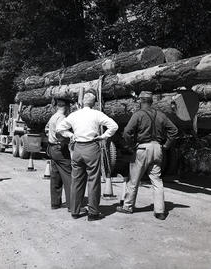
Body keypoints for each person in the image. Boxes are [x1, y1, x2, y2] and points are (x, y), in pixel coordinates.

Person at [56, 91, 118, 221]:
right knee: (93, 180)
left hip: (77, 148)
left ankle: (74, 210)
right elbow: (114, 126)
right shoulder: (97, 114)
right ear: (94, 103)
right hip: (91, 147)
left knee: (76, 180)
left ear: (82, 102)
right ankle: (93, 212)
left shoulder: (74, 115)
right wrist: (103, 136)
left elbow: (60, 128)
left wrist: (71, 135)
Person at [116, 91, 178, 220]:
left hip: (142, 148)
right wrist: (166, 145)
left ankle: (127, 206)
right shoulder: (161, 115)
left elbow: (127, 132)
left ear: (140, 101)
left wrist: (130, 145)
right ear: (151, 101)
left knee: (134, 180)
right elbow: (174, 130)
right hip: (158, 148)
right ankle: (160, 211)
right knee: (157, 180)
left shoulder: (138, 114)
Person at [45, 98, 72, 211]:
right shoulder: (62, 118)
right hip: (59, 148)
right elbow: (60, 133)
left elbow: (47, 130)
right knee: (68, 176)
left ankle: (55, 203)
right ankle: (73, 205)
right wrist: (70, 138)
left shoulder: (53, 116)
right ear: (66, 107)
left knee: (56, 176)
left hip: (52, 148)